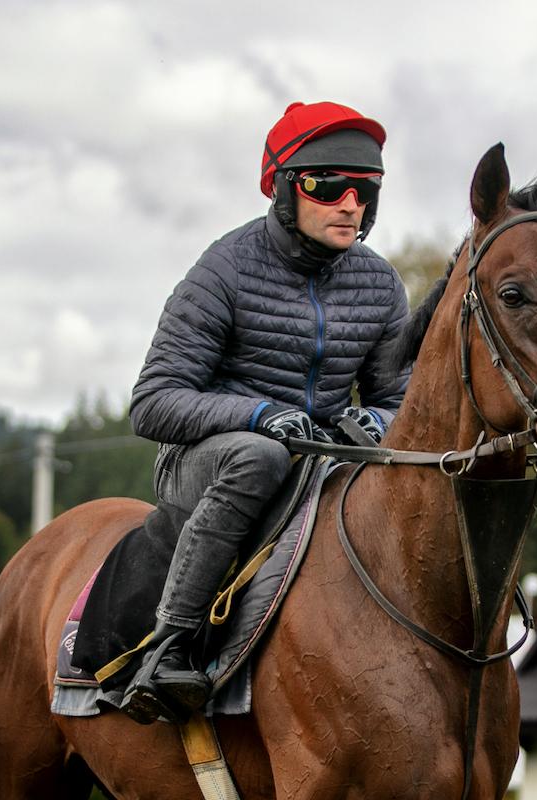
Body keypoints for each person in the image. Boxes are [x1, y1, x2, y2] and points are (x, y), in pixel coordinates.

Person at [121, 101, 411, 724]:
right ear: (284, 189)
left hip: (317, 463)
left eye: (365, 189)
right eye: (327, 185)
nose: (350, 204)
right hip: (207, 461)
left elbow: (396, 398)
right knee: (262, 455)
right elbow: (151, 403)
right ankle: (169, 648)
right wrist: (256, 415)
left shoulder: (383, 286)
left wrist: (379, 424)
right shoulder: (223, 268)